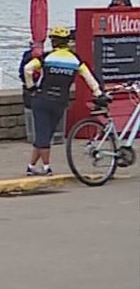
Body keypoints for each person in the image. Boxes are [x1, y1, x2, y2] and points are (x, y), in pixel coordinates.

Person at [22, 26, 110, 176]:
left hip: (42, 98)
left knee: (42, 134)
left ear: (53, 42)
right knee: (47, 133)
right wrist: (98, 93)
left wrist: (31, 87)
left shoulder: (46, 58)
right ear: (67, 42)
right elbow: (90, 78)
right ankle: (31, 166)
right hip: (60, 101)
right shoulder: (76, 60)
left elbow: (27, 69)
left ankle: (46, 168)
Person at [18, 37, 44, 149]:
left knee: (30, 111)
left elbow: (22, 71)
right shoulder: (44, 57)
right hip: (39, 87)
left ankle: (33, 135)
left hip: (29, 87)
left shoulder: (27, 55)